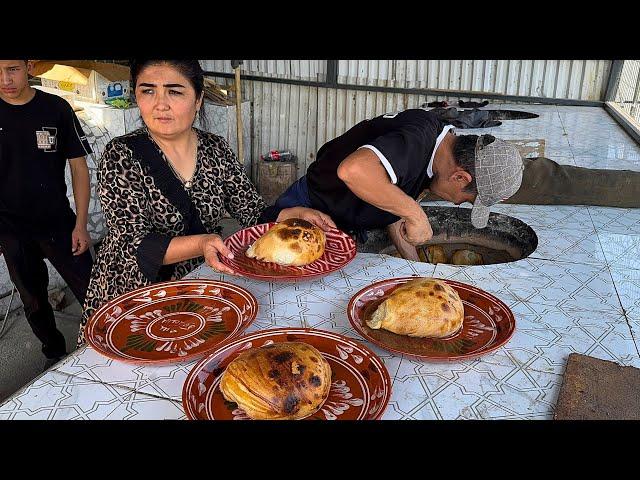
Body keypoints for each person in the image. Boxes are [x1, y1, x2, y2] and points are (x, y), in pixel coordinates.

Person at [78, 60, 334, 346]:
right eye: (148, 91)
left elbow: (252, 210)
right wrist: (201, 243)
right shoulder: (122, 155)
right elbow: (135, 243)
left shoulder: (215, 149)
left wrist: (292, 212)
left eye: (175, 92)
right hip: (137, 289)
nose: (160, 104)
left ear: (198, 99)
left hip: (199, 281)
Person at [272, 108, 524, 260]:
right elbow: (354, 170)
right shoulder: (418, 139)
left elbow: (391, 201)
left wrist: (414, 265)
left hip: (346, 220)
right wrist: (416, 215)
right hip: (308, 209)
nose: (458, 203)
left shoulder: (438, 154)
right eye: (467, 199)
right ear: (460, 177)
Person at [0, 60, 94, 364]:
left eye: (12, 69)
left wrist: (81, 224)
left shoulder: (56, 109)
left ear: (28, 67)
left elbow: (79, 169)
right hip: (10, 229)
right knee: (34, 301)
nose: (5, 79)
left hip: (58, 222)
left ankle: (104, 346)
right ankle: (54, 354)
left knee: (94, 291)